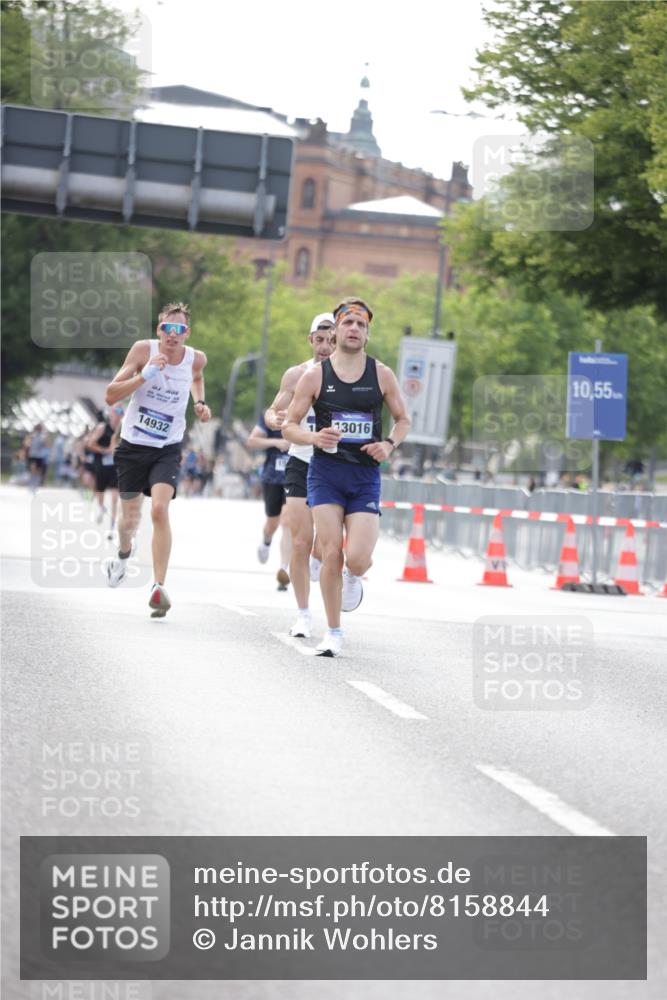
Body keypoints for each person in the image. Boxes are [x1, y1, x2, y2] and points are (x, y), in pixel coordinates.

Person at [283, 296, 411, 656]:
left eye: (361, 325)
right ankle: (334, 632)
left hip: (364, 476)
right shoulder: (315, 376)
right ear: (335, 329)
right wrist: (313, 437)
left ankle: (355, 575)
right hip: (325, 473)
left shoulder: (381, 374)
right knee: (328, 553)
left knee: (355, 557)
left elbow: (403, 419)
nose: (354, 329)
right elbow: (290, 426)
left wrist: (388, 444)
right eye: (347, 323)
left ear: (367, 334)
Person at [103, 302, 211, 617]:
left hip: (168, 445)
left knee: (161, 510)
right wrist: (145, 374)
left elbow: (197, 377)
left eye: (180, 330)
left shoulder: (196, 358)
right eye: (167, 328)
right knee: (129, 521)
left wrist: (200, 403)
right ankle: (123, 554)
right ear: (158, 329)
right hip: (133, 444)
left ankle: (158, 586)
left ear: (187, 333)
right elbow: (111, 394)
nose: (173, 335)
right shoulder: (142, 351)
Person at [264, 312, 334, 638]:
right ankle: (304, 614)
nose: (324, 346)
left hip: (336, 465)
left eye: (330, 340)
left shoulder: (352, 376)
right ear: (310, 340)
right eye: (319, 340)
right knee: (299, 538)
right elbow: (273, 410)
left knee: (326, 545)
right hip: (301, 460)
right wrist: (275, 419)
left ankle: (322, 564)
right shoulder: (296, 374)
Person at [246, 415, 292, 590]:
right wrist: (275, 442)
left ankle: (283, 570)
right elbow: (252, 441)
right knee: (273, 523)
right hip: (273, 477)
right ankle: (266, 541)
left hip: (295, 477)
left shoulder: (308, 413)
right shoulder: (273, 416)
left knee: (288, 521)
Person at [87, 405, 124, 538]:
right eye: (116, 412)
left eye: (121, 412)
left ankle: (112, 528)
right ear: (110, 414)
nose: (118, 415)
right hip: (101, 464)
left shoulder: (123, 430)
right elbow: (90, 444)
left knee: (115, 499)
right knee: (99, 492)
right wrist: (105, 450)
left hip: (116, 467)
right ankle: (101, 508)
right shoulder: (102, 428)